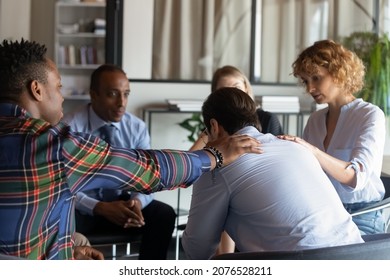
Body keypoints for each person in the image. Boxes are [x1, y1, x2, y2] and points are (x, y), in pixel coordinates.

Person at [0, 39, 261, 260]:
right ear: (36, 89)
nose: (63, 96)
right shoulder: (54, 144)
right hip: (86, 214)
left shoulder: (127, 127)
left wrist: (68, 250)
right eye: (58, 86)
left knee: (161, 215)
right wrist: (215, 154)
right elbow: (148, 168)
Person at [181, 87, 363, 260]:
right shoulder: (295, 147)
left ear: (214, 126)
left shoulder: (218, 165)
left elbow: (198, 250)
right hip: (361, 256)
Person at [63, 64, 176, 260]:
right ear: (94, 95)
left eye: (126, 94)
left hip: (124, 203)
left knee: (163, 215)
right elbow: (63, 185)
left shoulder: (137, 127)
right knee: (60, 218)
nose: (122, 103)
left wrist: (136, 203)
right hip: (83, 208)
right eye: (113, 94)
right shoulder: (69, 127)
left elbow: (147, 175)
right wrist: (98, 207)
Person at [278, 40, 386, 235]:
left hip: (364, 214)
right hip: (324, 211)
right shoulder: (315, 120)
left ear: (339, 72)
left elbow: (356, 177)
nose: (310, 88)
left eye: (316, 78)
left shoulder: (370, 115)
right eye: (305, 81)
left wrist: (312, 151)